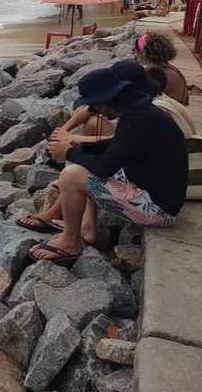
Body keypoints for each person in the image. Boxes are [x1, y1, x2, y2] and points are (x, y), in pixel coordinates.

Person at [28, 67, 187, 263]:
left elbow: (105, 168)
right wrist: (79, 147)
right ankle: (84, 227)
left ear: (105, 100)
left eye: (94, 107)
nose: (94, 111)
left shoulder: (136, 121)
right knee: (78, 157)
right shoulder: (140, 112)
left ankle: (70, 243)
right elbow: (116, 146)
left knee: (71, 175)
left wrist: (69, 152)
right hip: (150, 191)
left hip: (158, 210)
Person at [134, 31, 190, 105]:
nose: (135, 55)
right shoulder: (171, 69)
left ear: (143, 53)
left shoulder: (158, 75)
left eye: (135, 51)